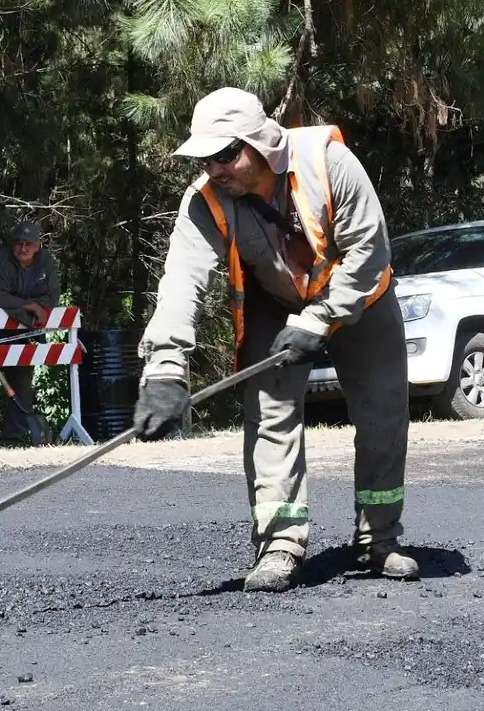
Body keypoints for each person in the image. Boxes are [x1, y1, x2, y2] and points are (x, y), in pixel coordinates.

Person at [132, 87, 417, 593]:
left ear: (258, 144)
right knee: (268, 413)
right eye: (204, 158)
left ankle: (380, 539)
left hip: (361, 299)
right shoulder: (207, 201)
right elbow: (181, 282)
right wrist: (165, 369)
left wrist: (321, 317)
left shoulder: (330, 163)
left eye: (223, 155)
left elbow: (369, 252)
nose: (213, 170)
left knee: (382, 413)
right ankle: (280, 545)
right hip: (273, 302)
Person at [0, 220, 59, 445]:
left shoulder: (46, 262)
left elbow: (51, 298)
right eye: (18, 243)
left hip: (20, 334)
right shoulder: (1, 260)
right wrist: (30, 308)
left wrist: (22, 311)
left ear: (38, 245)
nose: (23, 248)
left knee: (22, 384)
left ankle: (13, 439)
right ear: (11, 244)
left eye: (29, 243)